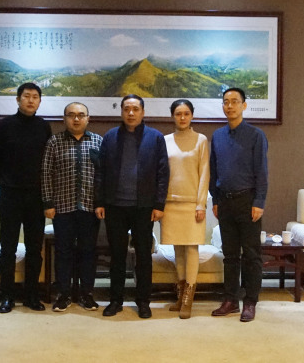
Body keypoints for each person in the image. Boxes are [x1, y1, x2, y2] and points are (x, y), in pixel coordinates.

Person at [94, 94, 169, 319]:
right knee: (116, 256)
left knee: (144, 257)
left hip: (143, 208)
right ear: (121, 112)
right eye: (127, 109)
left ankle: (143, 301)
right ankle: (115, 300)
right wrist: (99, 201)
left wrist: (159, 204)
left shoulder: (155, 137)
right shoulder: (110, 137)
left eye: (135, 109)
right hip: (115, 206)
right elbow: (101, 171)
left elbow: (163, 173)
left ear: (143, 112)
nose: (131, 113)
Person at [0, 82, 52, 313]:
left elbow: (47, 162)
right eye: (26, 96)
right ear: (18, 99)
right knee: (8, 248)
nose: (31, 100)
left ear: (39, 101)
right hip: (10, 195)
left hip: (36, 197)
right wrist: (7, 181)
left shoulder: (44, 127)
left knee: (35, 249)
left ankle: (31, 296)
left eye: (35, 97)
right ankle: (7, 297)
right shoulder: (3, 126)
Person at [209, 87, 268, 322]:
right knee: (230, 255)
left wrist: (259, 201)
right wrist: (215, 199)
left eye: (235, 101)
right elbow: (214, 171)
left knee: (252, 255)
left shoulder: (256, 135)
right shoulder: (218, 136)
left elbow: (262, 172)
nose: (230, 105)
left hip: (248, 201)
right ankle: (231, 300)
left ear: (244, 105)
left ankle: (250, 301)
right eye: (226, 101)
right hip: (225, 202)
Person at [42, 102, 103, 313]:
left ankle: (86, 294)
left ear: (88, 118)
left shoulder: (98, 141)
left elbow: (103, 175)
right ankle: (64, 294)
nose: (76, 119)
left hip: (90, 208)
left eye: (81, 115)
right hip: (62, 208)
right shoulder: (54, 142)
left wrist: (101, 202)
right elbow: (46, 174)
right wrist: (48, 203)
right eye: (71, 115)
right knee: (63, 252)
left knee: (88, 252)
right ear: (64, 118)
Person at [161, 99, 209, 319]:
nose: (182, 117)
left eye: (186, 113)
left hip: (192, 204)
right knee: (178, 249)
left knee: (191, 249)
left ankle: (189, 298)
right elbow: (162, 173)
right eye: (178, 113)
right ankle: (180, 296)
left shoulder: (201, 140)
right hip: (170, 203)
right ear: (173, 116)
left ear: (192, 116)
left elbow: (205, 173)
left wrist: (201, 204)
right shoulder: (165, 140)